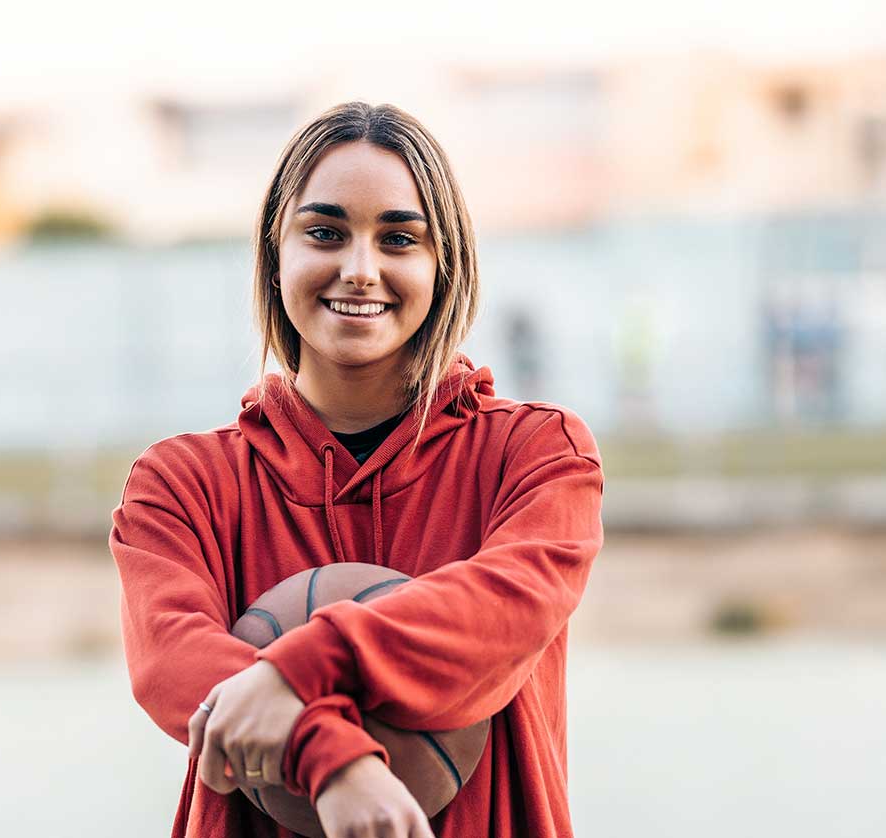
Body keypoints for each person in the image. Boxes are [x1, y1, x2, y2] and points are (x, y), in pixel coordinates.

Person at [110, 101, 604, 837]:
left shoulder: (536, 455)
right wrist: (333, 758)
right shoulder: (181, 484)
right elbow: (173, 666)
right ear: (276, 255)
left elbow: (496, 610)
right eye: (325, 233)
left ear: (445, 267)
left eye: (400, 238)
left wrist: (296, 671)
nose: (360, 268)